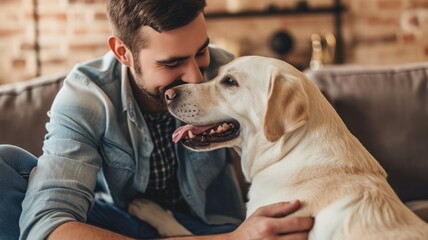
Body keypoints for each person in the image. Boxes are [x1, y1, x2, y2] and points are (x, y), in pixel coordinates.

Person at [0, 0, 314, 239]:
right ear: (123, 52)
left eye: (201, 51)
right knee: (6, 164)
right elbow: (48, 225)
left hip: (209, 227)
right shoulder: (86, 97)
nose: (195, 75)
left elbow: (290, 149)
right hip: (124, 227)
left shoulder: (226, 75)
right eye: (172, 62)